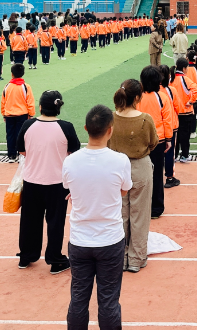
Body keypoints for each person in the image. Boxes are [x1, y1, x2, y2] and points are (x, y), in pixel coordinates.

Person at [64, 104, 132, 330]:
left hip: (80, 240)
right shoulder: (120, 160)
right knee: (109, 299)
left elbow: (69, 188)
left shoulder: (70, 161)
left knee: (78, 298)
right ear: (110, 130)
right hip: (110, 240)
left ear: (86, 128)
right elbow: (124, 191)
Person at [16, 90, 80, 273]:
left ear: (40, 106)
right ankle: (55, 259)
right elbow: (74, 151)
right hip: (57, 183)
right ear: (58, 107)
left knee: (29, 221)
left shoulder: (28, 125)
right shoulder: (66, 127)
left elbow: (21, 150)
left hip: (32, 181)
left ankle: (26, 256)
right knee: (55, 223)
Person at [111, 79, 158, 272]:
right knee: (140, 214)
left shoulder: (112, 118)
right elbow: (153, 142)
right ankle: (136, 259)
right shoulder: (145, 119)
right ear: (138, 97)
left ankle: (120, 257)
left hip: (116, 167)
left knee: (120, 214)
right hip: (139, 167)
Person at [136, 66, 173, 219]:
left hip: (141, 140)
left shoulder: (137, 98)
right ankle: (156, 208)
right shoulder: (162, 97)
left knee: (139, 175)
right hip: (158, 140)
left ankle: (141, 207)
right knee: (157, 174)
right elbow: (167, 119)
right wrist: (169, 139)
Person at [1, 64, 36, 163]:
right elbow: (30, 101)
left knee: (10, 135)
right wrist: (31, 114)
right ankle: (21, 154)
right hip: (22, 114)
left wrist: (4, 113)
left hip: (9, 114)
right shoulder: (26, 87)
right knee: (21, 135)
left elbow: (3, 101)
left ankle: (12, 155)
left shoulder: (7, 86)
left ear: (12, 74)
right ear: (23, 73)